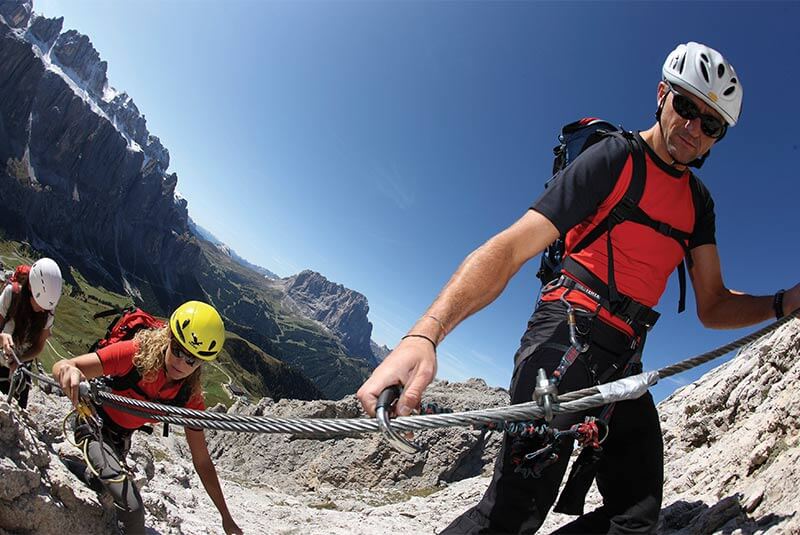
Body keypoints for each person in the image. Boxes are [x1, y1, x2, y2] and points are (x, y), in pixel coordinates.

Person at [357, 41, 800, 534]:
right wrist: (425, 334)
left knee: (636, 515)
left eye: (711, 123)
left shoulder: (699, 204)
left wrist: (784, 302)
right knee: (511, 514)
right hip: (563, 340)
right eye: (687, 107)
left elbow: (713, 305)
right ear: (662, 95)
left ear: (719, 137)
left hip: (624, 360)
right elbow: (509, 248)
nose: (694, 128)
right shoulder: (614, 160)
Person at [53, 300, 242, 535]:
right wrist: (68, 371)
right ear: (169, 337)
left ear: (201, 363)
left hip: (121, 440)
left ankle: (71, 466)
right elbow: (67, 365)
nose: (181, 363)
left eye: (192, 359)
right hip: (93, 423)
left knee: (102, 487)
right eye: (178, 350)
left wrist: (226, 517)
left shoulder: (189, 396)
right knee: (133, 509)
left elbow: (202, 461)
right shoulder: (135, 354)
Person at [0, 258, 62, 408]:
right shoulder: (11, 295)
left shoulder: (48, 312)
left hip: (21, 369)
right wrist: (2, 337)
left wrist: (20, 360)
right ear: (30, 289)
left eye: (46, 308)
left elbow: (39, 346)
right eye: (39, 304)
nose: (42, 310)